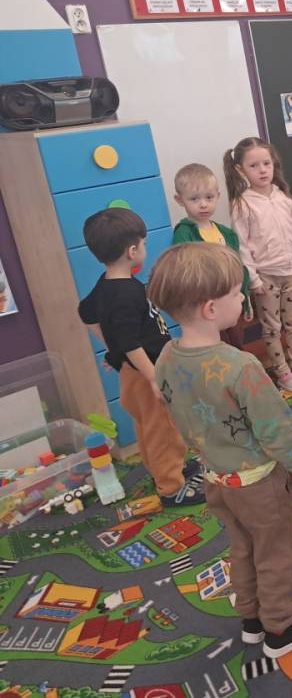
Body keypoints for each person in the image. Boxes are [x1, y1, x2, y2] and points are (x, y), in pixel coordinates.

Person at [148, 243, 292, 659]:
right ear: (211, 309)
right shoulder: (240, 365)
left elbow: (170, 404)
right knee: (277, 550)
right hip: (260, 482)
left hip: (216, 477)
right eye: (236, 293)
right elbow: (275, 426)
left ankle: (252, 618)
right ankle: (281, 627)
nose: (243, 300)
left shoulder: (168, 355)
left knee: (242, 546)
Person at [77, 208, 203, 508]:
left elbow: (86, 313)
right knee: (162, 429)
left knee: (149, 426)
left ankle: (164, 469)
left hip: (135, 370)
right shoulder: (126, 293)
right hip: (147, 372)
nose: (145, 248)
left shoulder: (106, 284)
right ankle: (171, 487)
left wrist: (113, 349)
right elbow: (131, 342)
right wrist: (153, 376)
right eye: (143, 244)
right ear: (132, 251)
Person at [223, 137, 292, 392]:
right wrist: (253, 279)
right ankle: (283, 372)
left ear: (274, 164)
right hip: (265, 277)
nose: (262, 170)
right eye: (254, 166)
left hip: (290, 273)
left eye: (266, 163)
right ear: (241, 170)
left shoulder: (284, 198)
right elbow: (242, 246)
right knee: (272, 327)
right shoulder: (242, 204)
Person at [170, 163, 251, 348]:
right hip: (206, 308)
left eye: (209, 197)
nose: (203, 204)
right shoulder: (184, 234)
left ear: (218, 196)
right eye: (194, 199)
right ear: (180, 200)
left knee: (237, 345)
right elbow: (187, 273)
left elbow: (239, 269)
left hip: (231, 302)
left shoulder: (226, 233)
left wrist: (245, 300)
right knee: (215, 347)